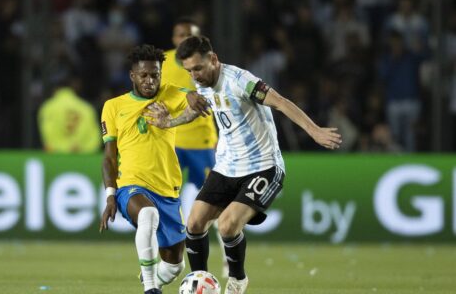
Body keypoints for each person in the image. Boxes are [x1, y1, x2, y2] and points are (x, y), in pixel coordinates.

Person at [145, 36, 342, 294]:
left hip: (263, 166)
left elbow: (281, 102)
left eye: (198, 68)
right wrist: (168, 123)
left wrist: (314, 131)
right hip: (227, 166)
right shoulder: (201, 83)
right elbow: (200, 109)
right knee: (193, 223)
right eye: (189, 70)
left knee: (227, 225)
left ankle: (237, 280)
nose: (194, 75)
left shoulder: (241, 81)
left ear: (213, 59)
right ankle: (198, 283)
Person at [99, 44, 191, 294]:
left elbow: (195, 98)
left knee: (174, 266)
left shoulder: (170, 94)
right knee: (148, 215)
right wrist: (110, 195)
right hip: (132, 185)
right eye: (144, 75)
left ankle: (150, 277)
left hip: (168, 189)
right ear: (133, 76)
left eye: (155, 75)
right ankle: (151, 288)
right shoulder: (113, 107)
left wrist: (194, 96)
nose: (151, 81)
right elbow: (109, 157)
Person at [160, 17, 228, 277]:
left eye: (189, 35)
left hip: (201, 142)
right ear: (173, 38)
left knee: (215, 202)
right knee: (166, 202)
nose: (183, 39)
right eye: (179, 35)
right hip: (172, 142)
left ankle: (226, 255)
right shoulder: (163, 63)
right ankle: (169, 259)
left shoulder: (207, 66)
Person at [38, 72, 101, 153]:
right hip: (81, 160)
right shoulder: (86, 108)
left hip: (56, 158)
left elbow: (47, 135)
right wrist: (80, 148)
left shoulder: (48, 107)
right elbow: (95, 138)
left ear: (54, 89)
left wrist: (60, 147)